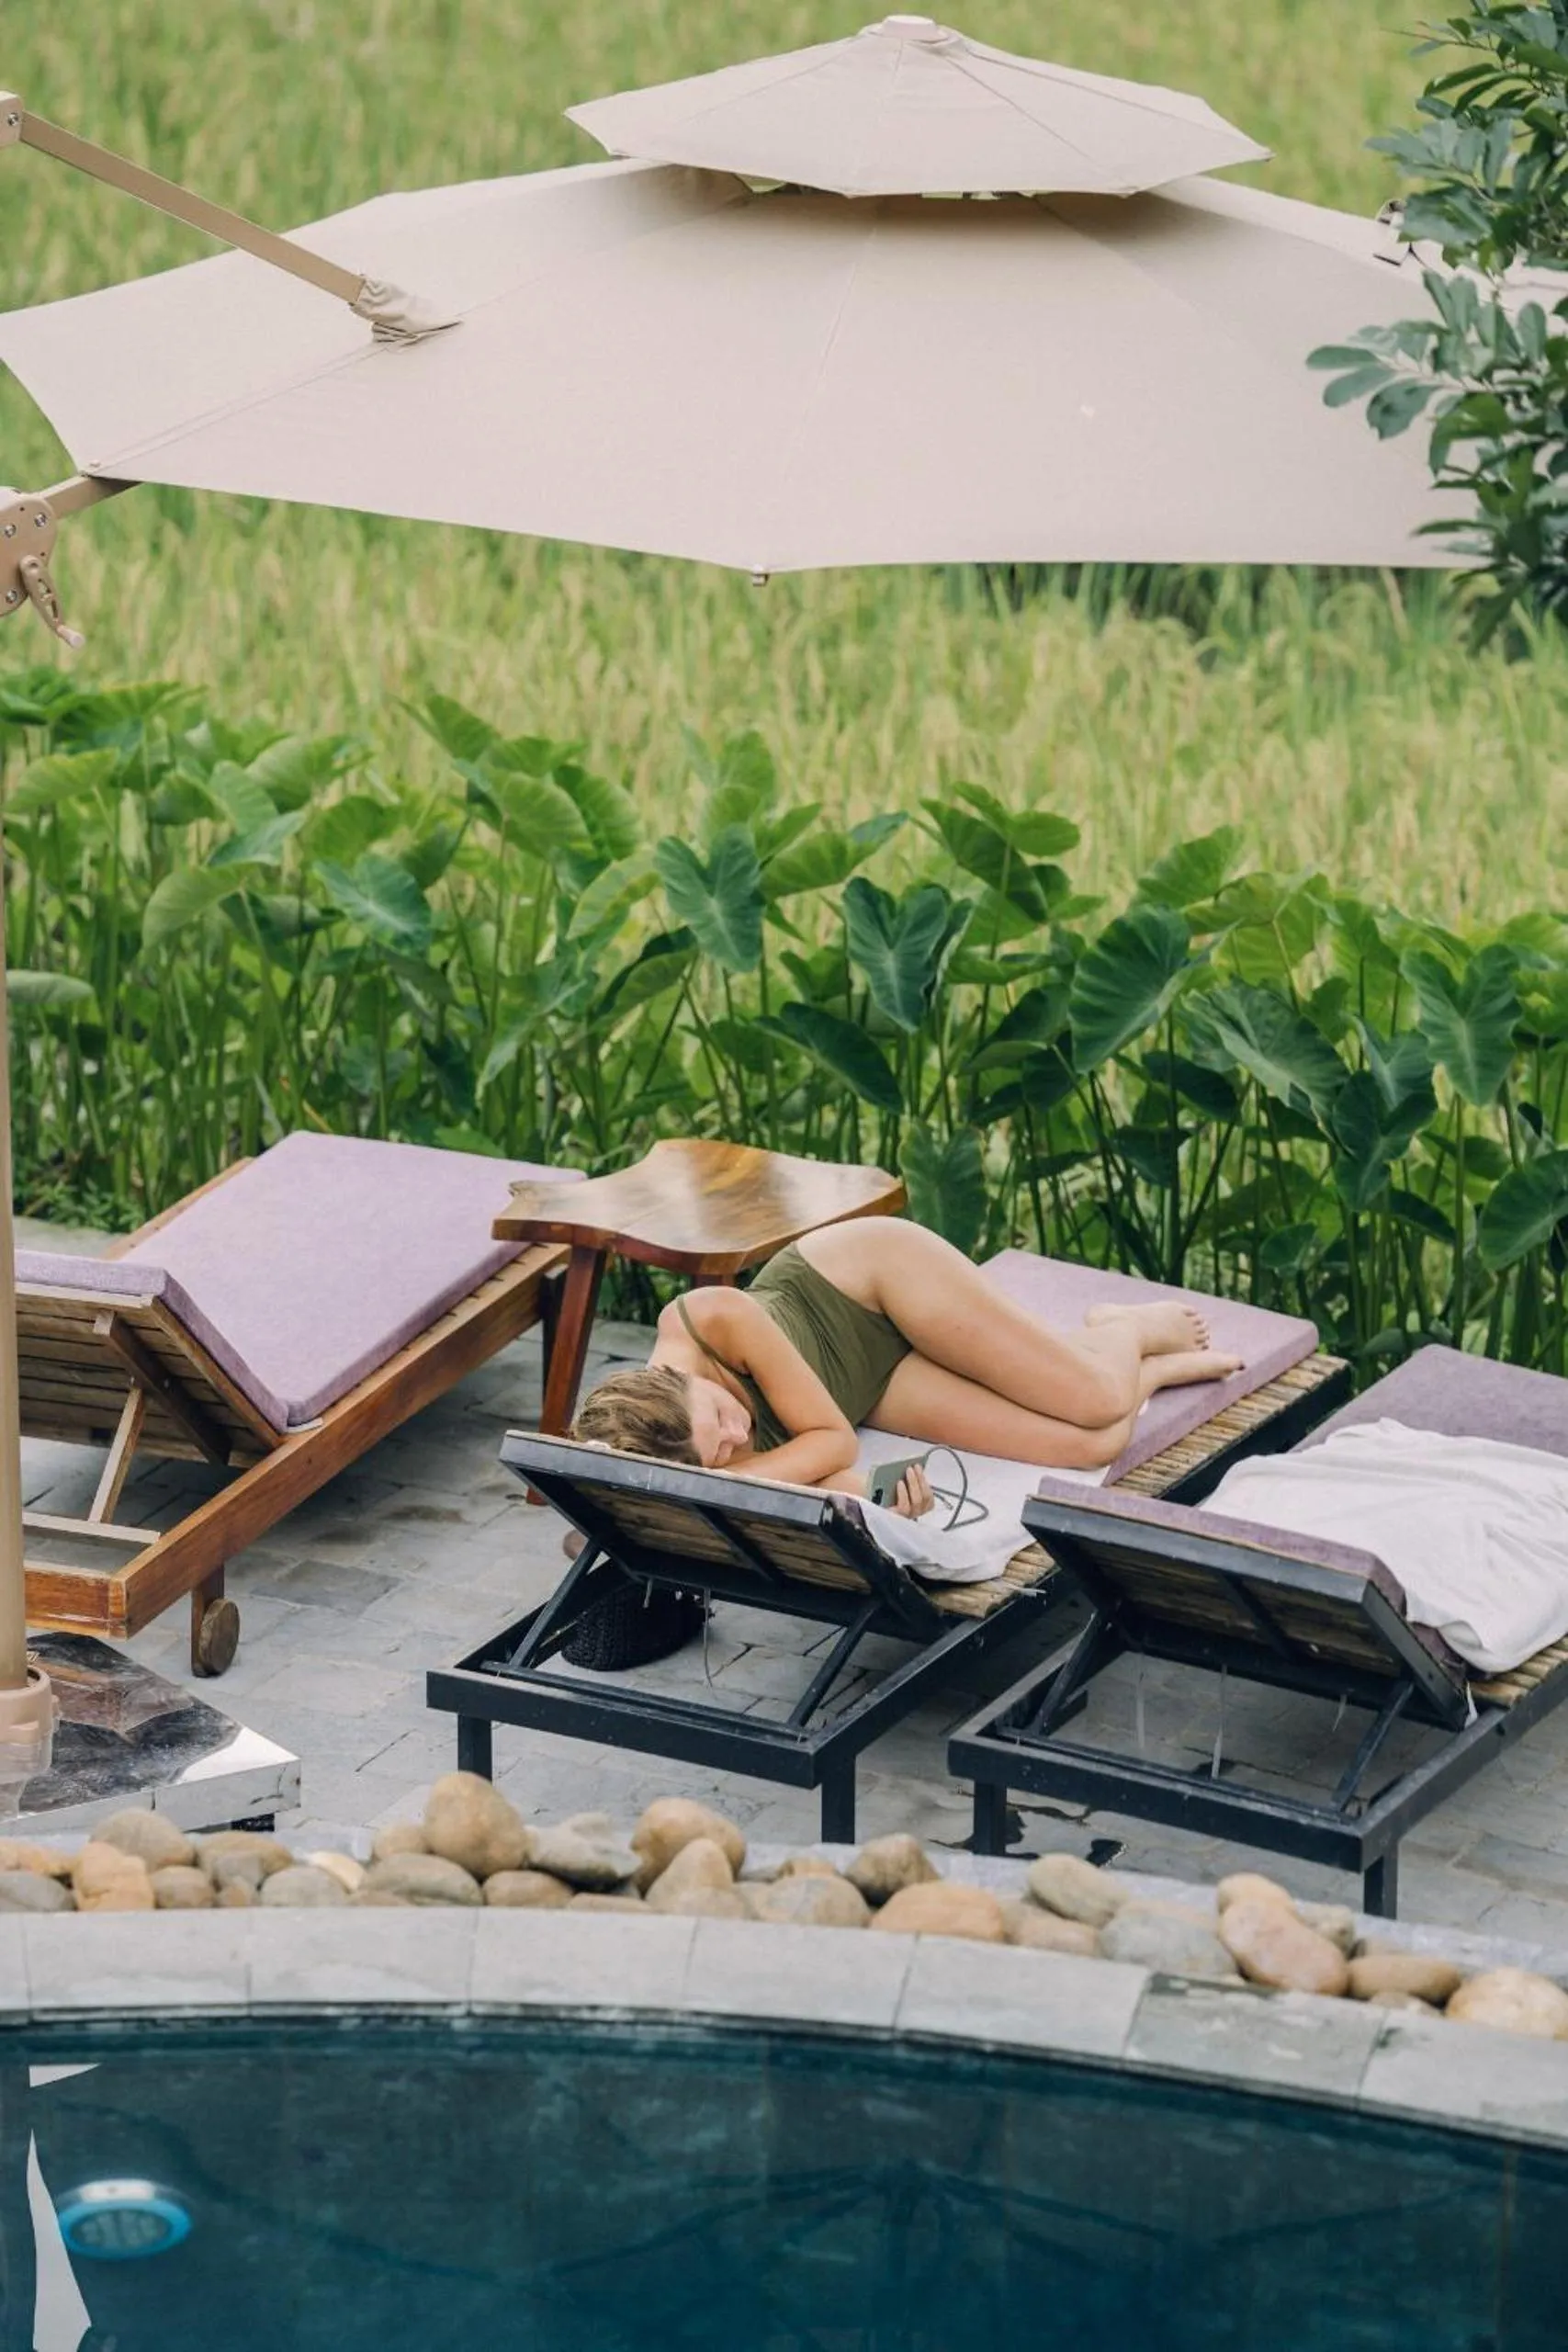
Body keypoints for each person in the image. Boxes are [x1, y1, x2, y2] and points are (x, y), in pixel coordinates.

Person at [571, 1217, 1242, 1516]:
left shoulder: (708, 1316)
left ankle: (1120, 1330)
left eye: (721, 1415)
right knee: (1090, 1442)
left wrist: (729, 1482)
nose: (738, 1435)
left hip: (868, 1285)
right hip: (861, 1386)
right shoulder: (684, 1453)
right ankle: (1147, 1375)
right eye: (721, 1454)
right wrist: (871, 1494)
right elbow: (830, 1471)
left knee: (1096, 1401)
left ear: (674, 1377)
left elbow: (829, 1443)